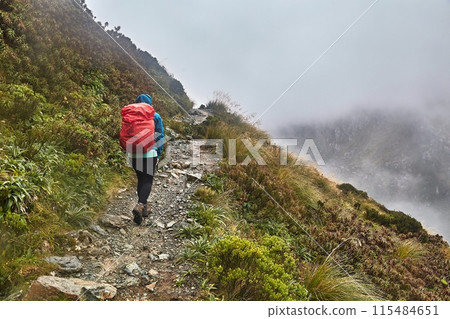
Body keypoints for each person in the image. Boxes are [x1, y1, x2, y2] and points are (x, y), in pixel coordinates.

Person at [129, 94, 164, 225]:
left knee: (141, 179)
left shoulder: (131, 115)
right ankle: (140, 204)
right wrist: (158, 154)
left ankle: (143, 208)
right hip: (150, 152)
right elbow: (160, 136)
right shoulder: (155, 116)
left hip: (133, 153)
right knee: (148, 179)